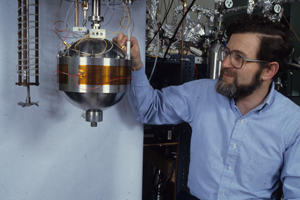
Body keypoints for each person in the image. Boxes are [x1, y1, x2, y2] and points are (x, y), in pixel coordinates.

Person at [114, 14, 300, 199]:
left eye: (239, 58)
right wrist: (136, 66)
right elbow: (148, 109)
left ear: (268, 70)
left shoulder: (292, 123)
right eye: (227, 53)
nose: (225, 63)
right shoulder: (201, 94)